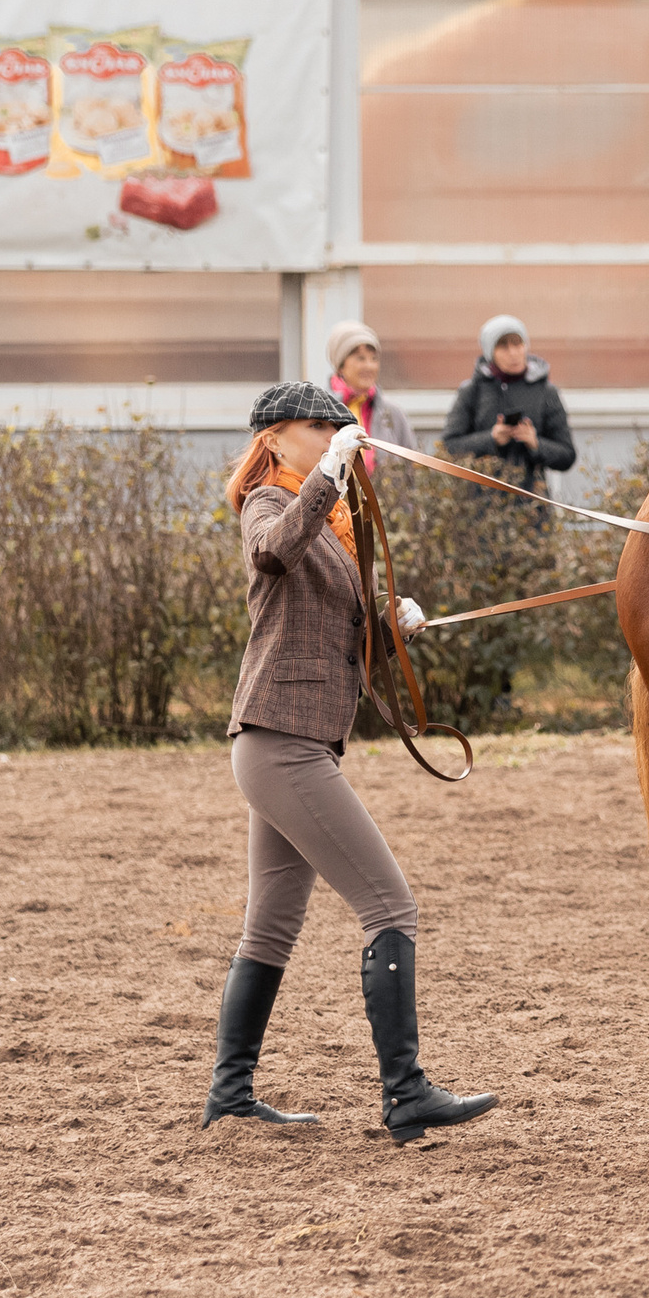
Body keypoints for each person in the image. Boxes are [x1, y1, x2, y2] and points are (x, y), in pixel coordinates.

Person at [206, 380, 499, 1142]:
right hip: (281, 740)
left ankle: (229, 1093)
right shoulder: (270, 506)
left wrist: (389, 622)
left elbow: (334, 627)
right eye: (322, 425)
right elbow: (273, 556)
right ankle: (405, 1093)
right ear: (275, 438)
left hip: (294, 739)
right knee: (390, 904)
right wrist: (330, 472)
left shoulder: (333, 526)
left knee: (269, 927)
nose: (340, 431)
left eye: (342, 425)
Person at [441, 314, 575, 494]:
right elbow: (448, 448)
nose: (513, 353)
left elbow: (567, 455)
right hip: (480, 509)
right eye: (503, 346)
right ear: (490, 353)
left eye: (517, 344)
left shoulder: (546, 392)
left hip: (532, 508)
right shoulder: (473, 391)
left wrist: (535, 443)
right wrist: (491, 439)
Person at [327, 321, 417, 472]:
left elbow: (412, 470)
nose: (369, 366)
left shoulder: (393, 414)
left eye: (374, 358)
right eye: (360, 358)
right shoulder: (322, 412)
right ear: (340, 365)